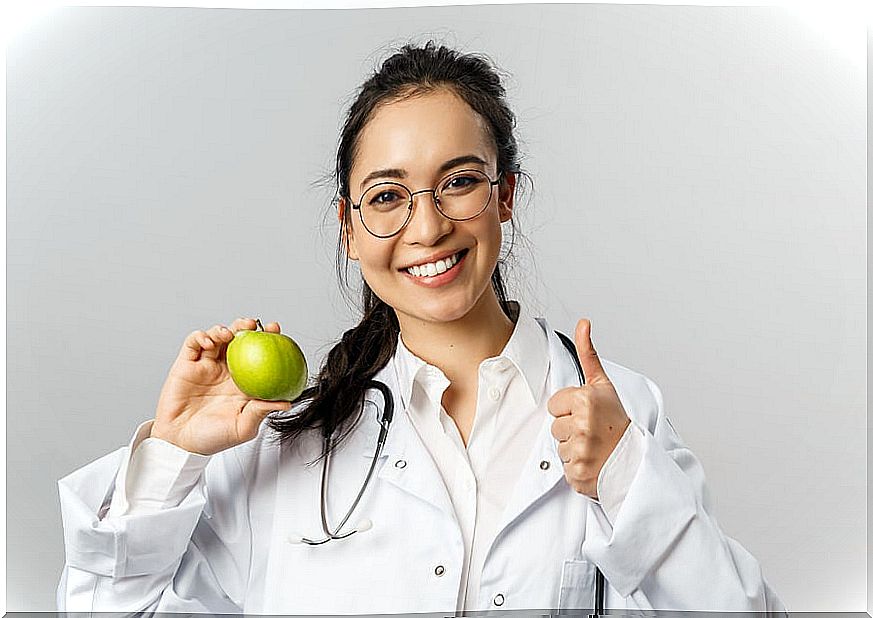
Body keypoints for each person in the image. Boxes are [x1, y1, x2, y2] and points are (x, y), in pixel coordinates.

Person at [56, 41, 785, 615]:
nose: (427, 226)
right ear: (347, 226)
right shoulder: (286, 442)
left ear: (505, 196)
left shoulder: (619, 416)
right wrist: (172, 461)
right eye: (386, 195)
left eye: (460, 181)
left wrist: (625, 479)